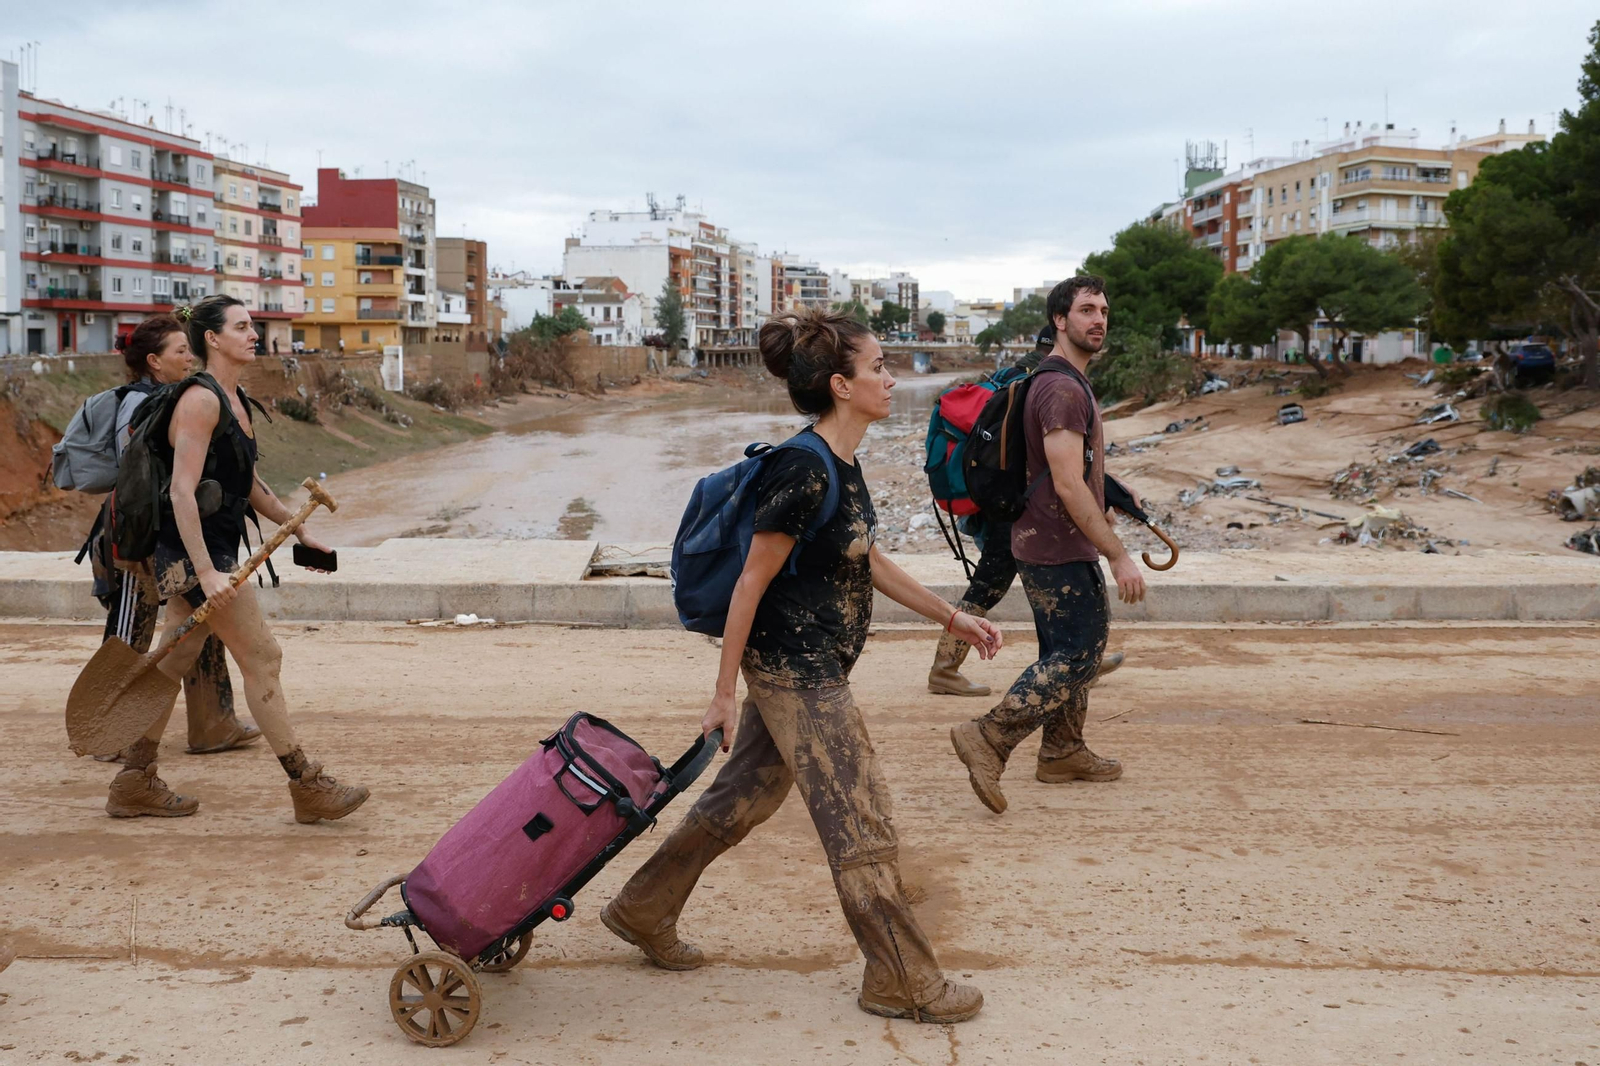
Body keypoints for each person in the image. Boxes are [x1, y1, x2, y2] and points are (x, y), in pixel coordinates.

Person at [602, 306, 1002, 1024]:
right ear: (842, 385)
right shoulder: (803, 467)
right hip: (796, 671)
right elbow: (751, 582)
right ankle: (901, 978)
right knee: (860, 815)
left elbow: (865, 556)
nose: (891, 377)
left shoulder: (840, 463)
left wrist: (952, 616)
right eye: (879, 366)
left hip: (810, 664)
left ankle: (642, 907)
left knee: (743, 798)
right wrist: (723, 694)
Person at [104, 295, 369, 824]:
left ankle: (134, 780)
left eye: (253, 326)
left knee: (173, 662)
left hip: (210, 554)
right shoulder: (200, 401)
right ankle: (306, 784)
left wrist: (299, 528)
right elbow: (182, 493)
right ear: (212, 338)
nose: (254, 334)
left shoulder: (233, 398)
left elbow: (244, 481)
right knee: (263, 657)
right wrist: (205, 571)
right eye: (242, 327)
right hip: (195, 556)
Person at [950, 276, 1148, 815]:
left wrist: (1109, 499)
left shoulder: (1063, 382)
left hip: (1046, 540)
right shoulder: (1061, 389)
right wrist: (1118, 553)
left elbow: (1074, 473)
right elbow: (1065, 483)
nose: (1098, 319)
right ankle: (988, 738)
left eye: (1103, 310)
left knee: (1065, 653)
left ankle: (1062, 751)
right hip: (1056, 545)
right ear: (1060, 320)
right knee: (1079, 654)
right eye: (1086, 310)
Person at [92, 315, 259, 762]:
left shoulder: (187, 396)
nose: (189, 358)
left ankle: (212, 724)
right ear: (153, 361)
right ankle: (111, 731)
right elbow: (141, 483)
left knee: (196, 632)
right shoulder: (141, 404)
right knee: (131, 636)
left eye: (190, 349)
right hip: (135, 541)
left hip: (175, 537)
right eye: (179, 351)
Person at [928, 324, 1123, 697]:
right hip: (1022, 510)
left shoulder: (1012, 378)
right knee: (989, 587)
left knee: (1039, 591)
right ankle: (944, 668)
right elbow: (1057, 461)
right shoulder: (1048, 383)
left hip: (1005, 502)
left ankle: (1075, 662)